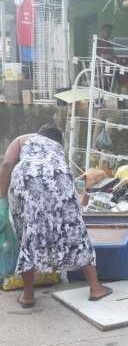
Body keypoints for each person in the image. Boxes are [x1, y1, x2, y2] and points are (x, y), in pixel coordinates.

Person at [0, 124, 112, 308]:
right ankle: (95, 289)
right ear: (58, 140)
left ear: (39, 134)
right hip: (59, 178)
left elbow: (6, 163)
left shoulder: (23, 139)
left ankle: (28, 296)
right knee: (76, 232)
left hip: (27, 183)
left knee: (30, 236)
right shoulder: (57, 149)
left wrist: (2, 197)